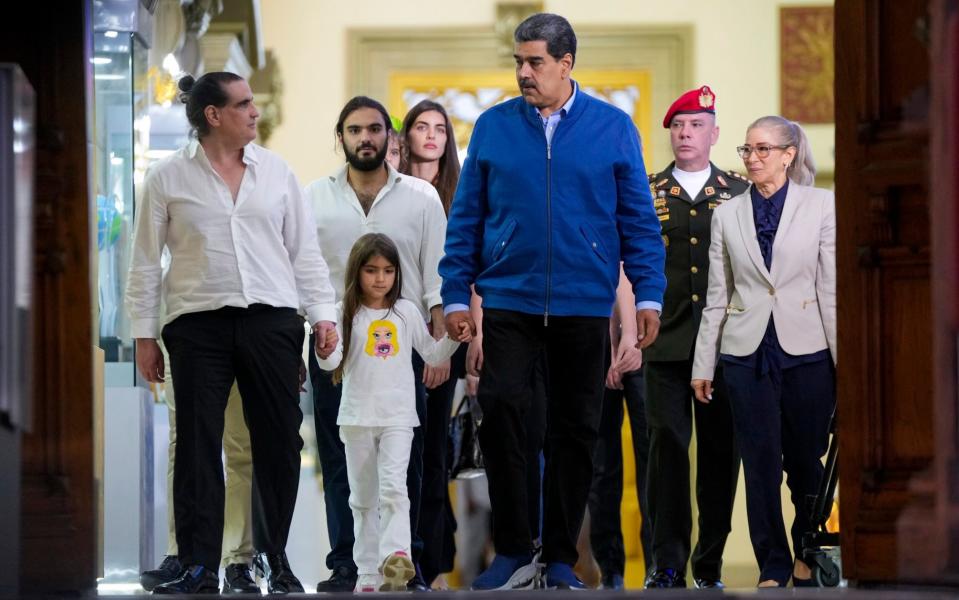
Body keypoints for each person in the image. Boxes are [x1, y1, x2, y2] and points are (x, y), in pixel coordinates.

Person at [440, 13, 666, 590]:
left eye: (534, 61)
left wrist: (649, 296)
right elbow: (466, 219)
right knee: (504, 415)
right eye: (518, 61)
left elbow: (638, 222)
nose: (523, 72)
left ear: (566, 64)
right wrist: (454, 296)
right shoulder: (491, 127)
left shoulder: (614, 128)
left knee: (576, 429)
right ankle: (514, 549)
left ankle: (562, 556)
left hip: (583, 304)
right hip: (510, 300)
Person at [125, 71, 337, 595]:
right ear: (213, 116)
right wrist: (144, 335)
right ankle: (199, 565)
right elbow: (145, 264)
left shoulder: (277, 173)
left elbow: (304, 252)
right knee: (197, 445)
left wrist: (323, 314)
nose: (255, 112)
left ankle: (270, 558)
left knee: (280, 444)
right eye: (244, 104)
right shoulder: (168, 178)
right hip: (196, 324)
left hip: (272, 322)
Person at [304, 96, 448, 593]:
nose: (365, 137)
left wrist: (440, 339)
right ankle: (348, 563)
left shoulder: (421, 198)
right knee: (341, 456)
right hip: (334, 338)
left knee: (410, 460)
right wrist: (315, 330)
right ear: (340, 137)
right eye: (354, 130)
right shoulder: (313, 198)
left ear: (391, 137)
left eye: (374, 129)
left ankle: (405, 563)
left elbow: (436, 274)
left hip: (405, 338)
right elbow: (303, 271)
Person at [691, 116, 836, 588]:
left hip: (808, 351)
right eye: (747, 150)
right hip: (745, 352)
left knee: (805, 460)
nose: (752, 159)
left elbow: (831, 291)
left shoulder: (821, 206)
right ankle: (772, 566)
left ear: (789, 154)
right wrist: (704, 363)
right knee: (759, 463)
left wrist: (844, 363)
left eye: (763, 150)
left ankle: (807, 554)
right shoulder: (726, 213)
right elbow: (718, 294)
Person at [642, 85, 746, 589]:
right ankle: (666, 564)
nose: (685, 133)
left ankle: (709, 564)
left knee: (720, 456)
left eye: (696, 125)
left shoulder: (740, 191)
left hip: (725, 345)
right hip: (663, 342)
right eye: (678, 126)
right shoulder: (647, 190)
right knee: (666, 449)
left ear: (714, 133)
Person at [317, 233, 463, 592]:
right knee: (362, 498)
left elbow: (432, 354)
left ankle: (397, 556)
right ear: (357, 272)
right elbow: (331, 363)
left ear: (397, 274)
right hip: (355, 420)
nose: (380, 278)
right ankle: (367, 572)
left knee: (396, 489)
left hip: (399, 419)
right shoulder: (343, 313)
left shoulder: (407, 312)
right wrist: (324, 347)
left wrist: (456, 337)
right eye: (371, 270)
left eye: (388, 270)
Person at [399, 99, 464, 587]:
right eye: (421, 127)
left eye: (439, 128)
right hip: (392, 336)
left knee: (435, 449)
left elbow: (467, 273)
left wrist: (446, 349)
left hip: (444, 333)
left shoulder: (459, 194)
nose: (430, 135)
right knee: (398, 450)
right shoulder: (392, 191)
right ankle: (396, 557)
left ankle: (435, 562)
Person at [140, 375, 258, 594]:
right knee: (184, 439)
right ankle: (181, 553)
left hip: (245, 342)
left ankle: (237, 560)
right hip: (186, 344)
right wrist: (145, 339)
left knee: (241, 446)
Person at [587, 267, 651, 590]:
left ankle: (657, 564)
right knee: (601, 464)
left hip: (645, 334)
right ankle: (609, 568)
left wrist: (627, 337)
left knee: (651, 459)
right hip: (597, 332)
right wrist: (611, 339)